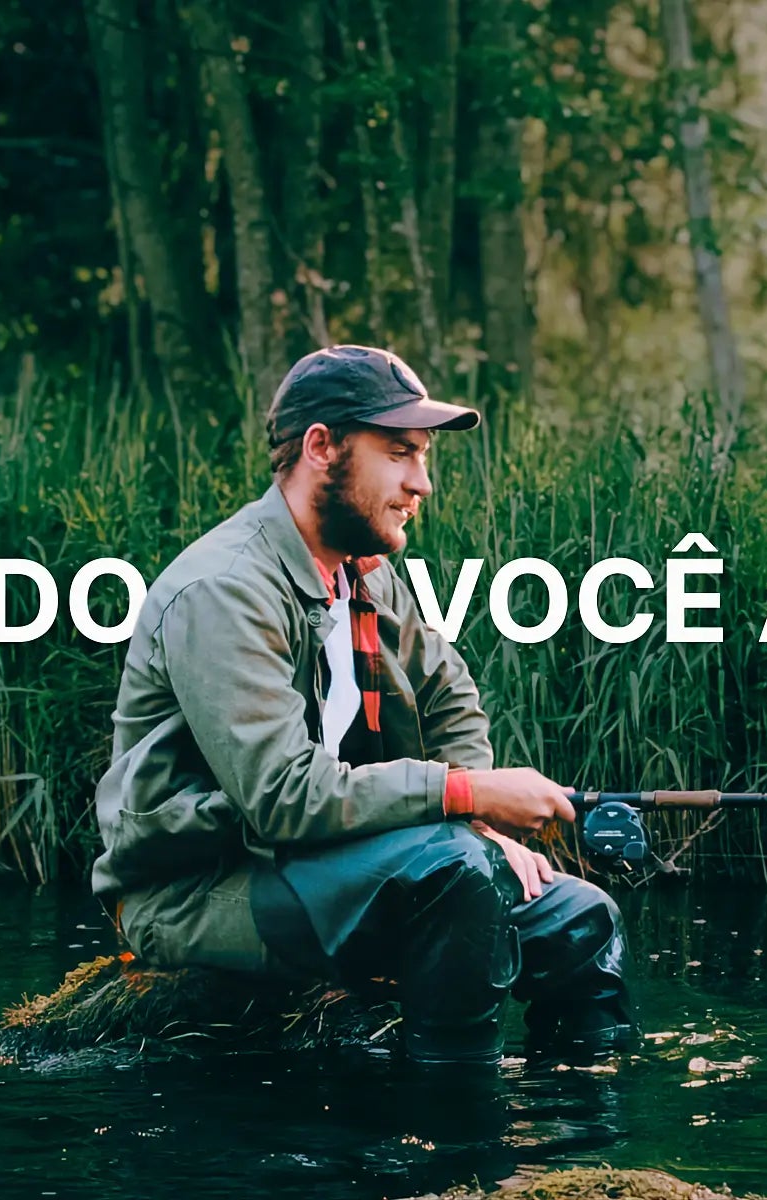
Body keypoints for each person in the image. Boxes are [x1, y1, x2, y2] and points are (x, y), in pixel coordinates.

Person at [90, 345, 633, 1064]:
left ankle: (581, 1152)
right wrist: (466, 796)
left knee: (582, 918)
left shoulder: (362, 576)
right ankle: (457, 1138)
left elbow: (449, 694)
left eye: (425, 458)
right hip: (199, 889)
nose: (422, 483)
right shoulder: (224, 590)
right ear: (322, 447)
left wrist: (474, 817)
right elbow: (282, 797)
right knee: (458, 875)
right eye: (401, 454)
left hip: (333, 865)